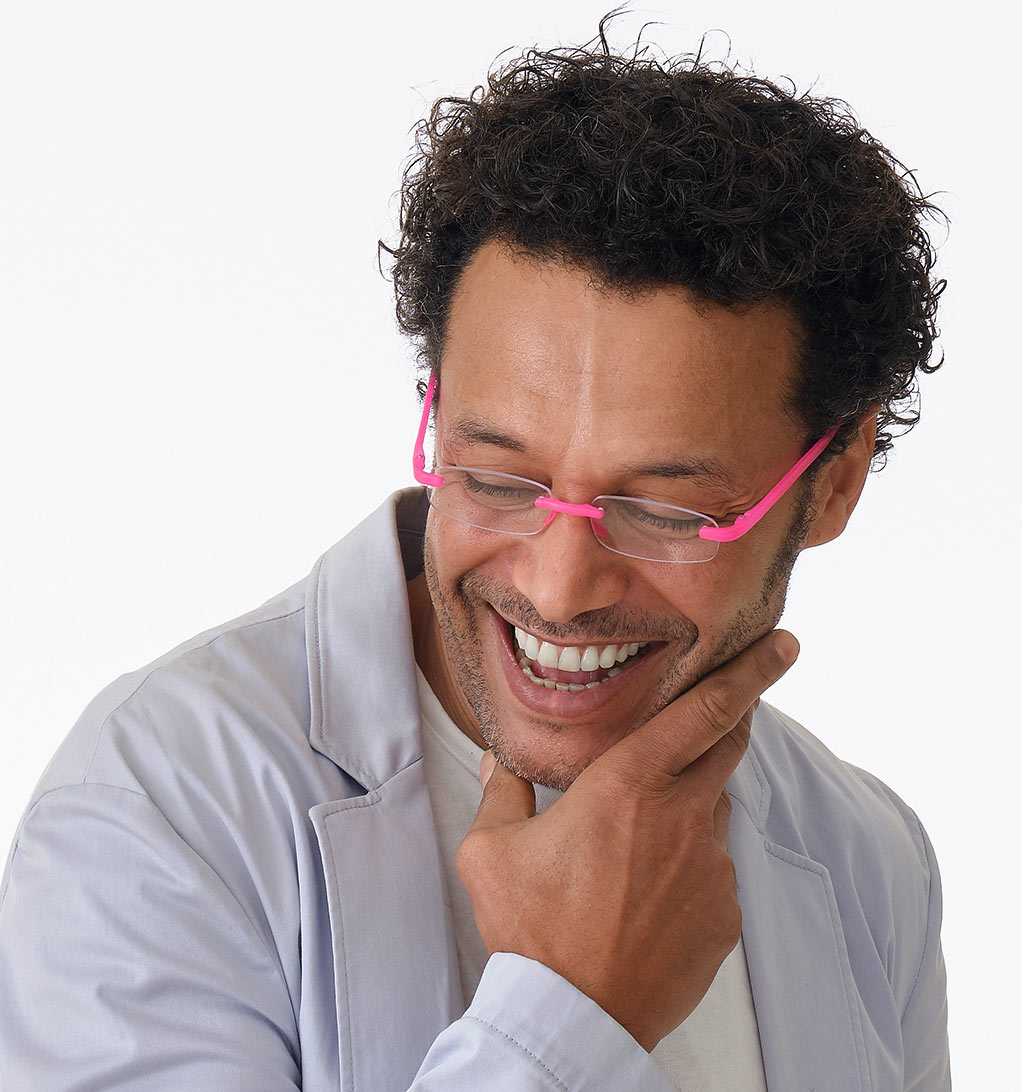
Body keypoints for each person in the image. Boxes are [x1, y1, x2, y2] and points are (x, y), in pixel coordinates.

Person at [0, 27, 950, 1092]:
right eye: (499, 478)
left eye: (662, 508)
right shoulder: (161, 808)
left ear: (835, 480)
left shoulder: (868, 862)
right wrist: (568, 1012)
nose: (558, 587)